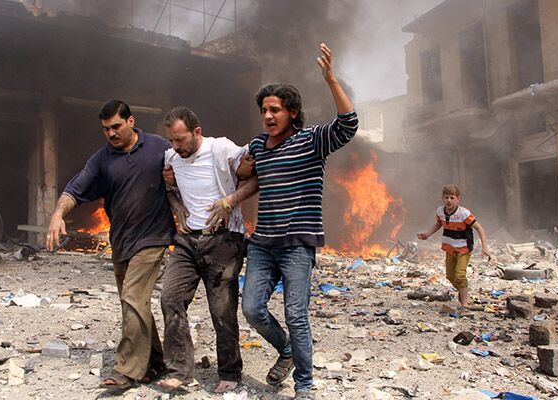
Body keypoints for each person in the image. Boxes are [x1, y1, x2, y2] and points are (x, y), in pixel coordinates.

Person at [211, 43, 358, 400]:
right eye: (264, 110)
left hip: (297, 245)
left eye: (275, 109)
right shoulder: (258, 146)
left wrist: (331, 79)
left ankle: (304, 386)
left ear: (292, 112)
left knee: (296, 315)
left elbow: (348, 124)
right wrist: (231, 198)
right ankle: (288, 350)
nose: (268, 116)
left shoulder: (312, 141)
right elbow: (252, 179)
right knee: (252, 309)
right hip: (263, 243)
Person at [45, 100, 175, 392]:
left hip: (153, 238)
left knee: (132, 297)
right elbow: (74, 189)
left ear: (131, 121)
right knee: (135, 303)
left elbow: (186, 167)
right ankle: (155, 361)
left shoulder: (158, 147)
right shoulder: (102, 159)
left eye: (116, 126)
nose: (111, 133)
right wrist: (57, 214)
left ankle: (126, 370)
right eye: (106, 129)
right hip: (122, 241)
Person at [155, 106, 248, 393]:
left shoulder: (221, 149)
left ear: (197, 131)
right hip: (187, 241)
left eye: (180, 139)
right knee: (170, 298)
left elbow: (254, 172)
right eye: (171, 140)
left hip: (223, 241)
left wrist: (229, 201)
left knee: (222, 310)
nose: (175, 146)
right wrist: (176, 206)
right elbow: (168, 188)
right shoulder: (172, 158)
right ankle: (179, 371)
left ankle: (230, 372)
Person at [417, 184, 489, 308]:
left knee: (460, 275)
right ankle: (462, 290)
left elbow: (479, 228)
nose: (449, 200)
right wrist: (427, 234)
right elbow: (439, 224)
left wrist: (485, 247)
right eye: (446, 198)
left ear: (457, 199)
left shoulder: (464, 213)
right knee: (450, 276)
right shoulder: (440, 211)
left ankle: (464, 304)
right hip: (449, 247)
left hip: (464, 248)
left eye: (452, 198)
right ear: (442, 199)